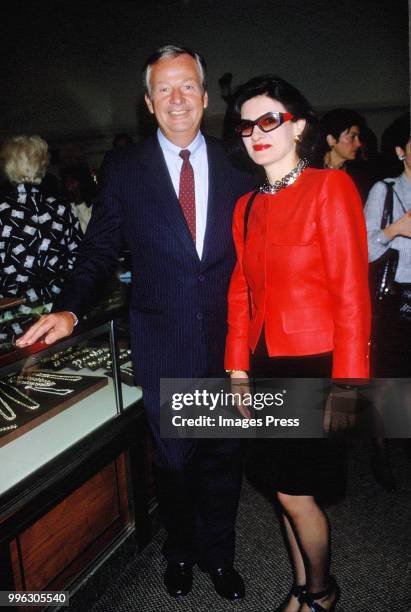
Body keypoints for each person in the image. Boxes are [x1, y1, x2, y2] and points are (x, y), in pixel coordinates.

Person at [16, 46, 255, 600]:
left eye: (187, 86)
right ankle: (179, 551)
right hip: (163, 342)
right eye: (164, 90)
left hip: (231, 347)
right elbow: (98, 253)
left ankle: (219, 557)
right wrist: (70, 308)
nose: (177, 99)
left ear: (204, 96)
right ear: (149, 103)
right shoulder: (125, 169)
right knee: (173, 462)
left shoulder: (237, 165)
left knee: (223, 461)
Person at [224, 76, 370, 611]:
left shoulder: (330, 189)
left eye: (270, 120)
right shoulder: (245, 207)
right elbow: (240, 293)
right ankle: (301, 587)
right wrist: (237, 369)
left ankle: (322, 592)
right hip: (263, 363)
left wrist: (350, 385)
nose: (257, 133)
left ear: (298, 126)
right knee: (277, 486)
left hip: (315, 364)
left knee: (295, 490)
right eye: (247, 124)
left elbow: (352, 294)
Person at [364, 114, 411, 489]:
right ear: (400, 151)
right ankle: (380, 454)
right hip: (394, 298)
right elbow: (362, 248)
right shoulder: (386, 189)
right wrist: (394, 229)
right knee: (387, 382)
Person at [0, 135, 81, 344]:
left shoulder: (2, 212)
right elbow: (78, 260)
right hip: (55, 316)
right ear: (43, 166)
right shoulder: (62, 209)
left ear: (8, 167)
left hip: (10, 320)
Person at [314, 108, 376, 203]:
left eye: (358, 137)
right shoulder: (309, 171)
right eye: (352, 137)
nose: (358, 143)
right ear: (331, 139)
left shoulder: (360, 176)